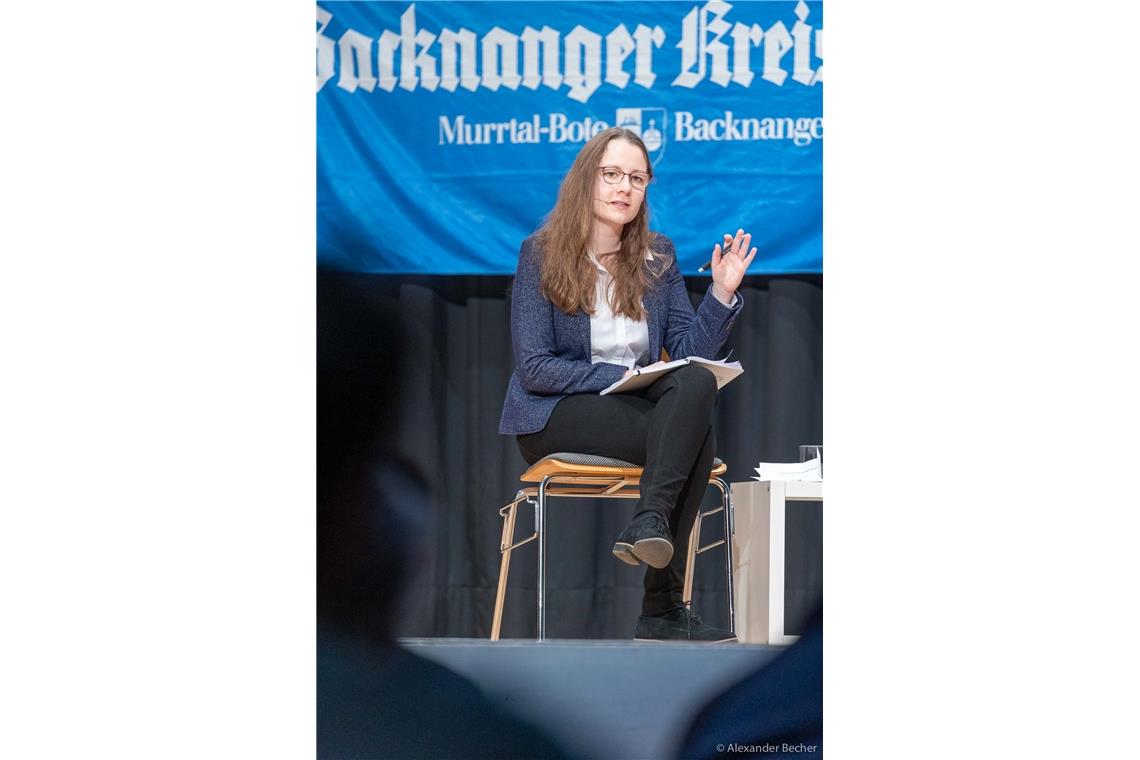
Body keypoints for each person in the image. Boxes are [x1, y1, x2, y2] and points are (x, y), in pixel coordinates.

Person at [498, 127, 757, 641]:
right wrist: (626, 378)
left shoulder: (657, 256)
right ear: (585, 181)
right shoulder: (541, 254)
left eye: (637, 179)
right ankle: (661, 608)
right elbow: (536, 367)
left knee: (697, 387)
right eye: (612, 175)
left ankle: (648, 522)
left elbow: (688, 353)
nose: (625, 188)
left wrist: (721, 295)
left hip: (636, 411)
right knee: (693, 432)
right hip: (555, 414)